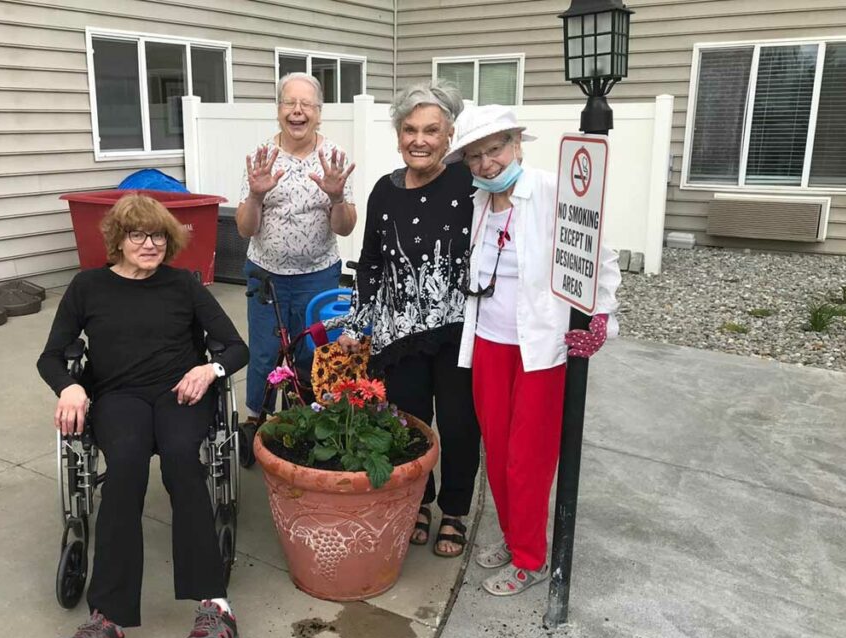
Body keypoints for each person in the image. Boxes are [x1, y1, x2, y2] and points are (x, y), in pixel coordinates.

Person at [37, 194, 249, 638]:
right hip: (117, 397)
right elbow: (51, 356)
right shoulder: (87, 287)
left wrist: (209, 372)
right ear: (118, 239)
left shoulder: (183, 286)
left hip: (181, 393)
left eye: (157, 235)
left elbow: (235, 347)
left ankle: (214, 607)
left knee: (181, 461)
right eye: (137, 234)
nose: (149, 244)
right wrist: (69, 386)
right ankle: (106, 623)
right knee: (126, 466)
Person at [446, 105, 621, 596]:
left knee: (529, 457)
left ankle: (530, 558)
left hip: (539, 348)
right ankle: (514, 535)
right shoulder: (481, 203)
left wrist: (602, 315)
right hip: (488, 343)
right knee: (498, 452)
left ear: (517, 143)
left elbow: (597, 251)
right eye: (475, 156)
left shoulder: (548, 189)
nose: (487, 163)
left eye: (495, 149)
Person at [330, 81, 480, 558]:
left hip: (458, 332)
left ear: (450, 134)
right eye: (410, 129)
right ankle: (420, 499)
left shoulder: (470, 184)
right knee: (409, 423)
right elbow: (371, 263)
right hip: (398, 334)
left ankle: (454, 510)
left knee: (458, 424)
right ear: (398, 136)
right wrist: (358, 325)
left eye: (431, 130)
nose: (420, 139)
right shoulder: (384, 190)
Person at [236, 72, 357, 419]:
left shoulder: (334, 157)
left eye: (306, 104)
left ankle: (304, 416)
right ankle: (256, 420)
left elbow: (345, 228)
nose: (297, 111)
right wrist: (256, 196)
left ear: (319, 113)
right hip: (266, 273)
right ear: (278, 110)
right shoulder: (261, 157)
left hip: (317, 275)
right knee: (264, 352)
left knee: (310, 350)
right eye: (290, 102)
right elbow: (245, 229)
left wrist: (336, 198)